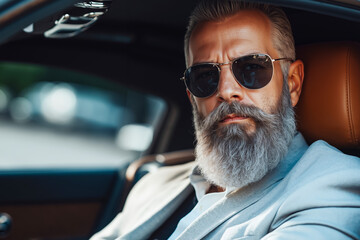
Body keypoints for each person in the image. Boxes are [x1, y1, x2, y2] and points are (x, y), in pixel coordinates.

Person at [91, 1, 360, 239]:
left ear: (292, 84)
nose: (226, 90)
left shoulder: (334, 186)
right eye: (205, 76)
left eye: (252, 67)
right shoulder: (155, 184)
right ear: (191, 96)